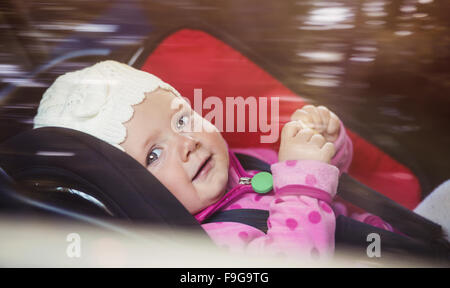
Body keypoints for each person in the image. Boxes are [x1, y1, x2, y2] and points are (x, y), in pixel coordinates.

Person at [33, 60, 384, 260]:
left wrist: (325, 143)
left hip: (396, 235)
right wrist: (301, 182)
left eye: (181, 119)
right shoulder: (209, 248)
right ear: (129, 198)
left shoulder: (252, 162)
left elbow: (333, 181)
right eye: (154, 155)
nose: (187, 143)